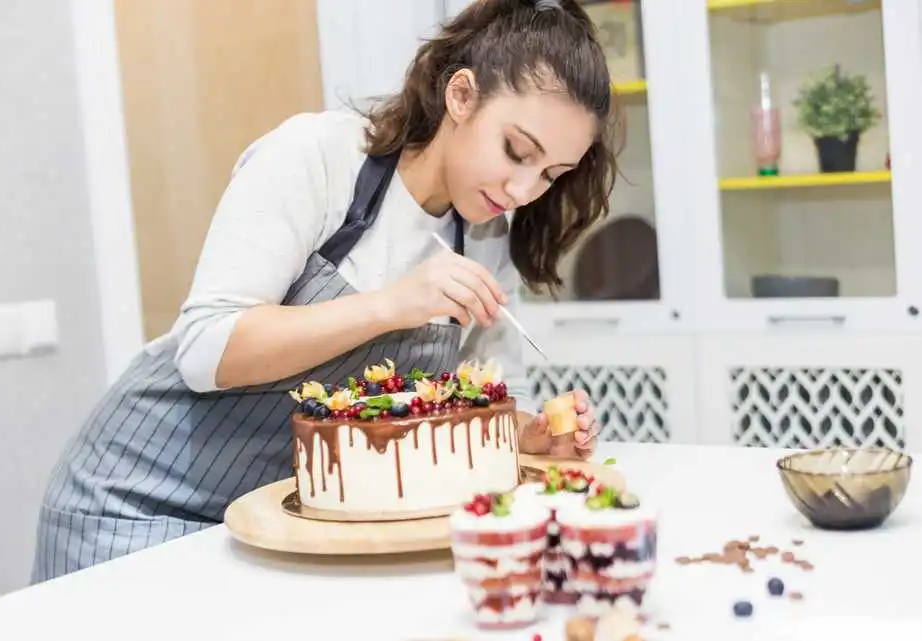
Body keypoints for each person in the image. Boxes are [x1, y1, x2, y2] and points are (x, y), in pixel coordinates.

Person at [31, 0, 620, 582]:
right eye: (516, 151)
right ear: (461, 96)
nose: (522, 189)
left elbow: (493, 393)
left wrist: (530, 432)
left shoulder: (485, 231)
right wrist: (390, 305)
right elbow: (206, 349)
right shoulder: (320, 157)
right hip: (132, 507)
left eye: (549, 175)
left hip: (272, 521)